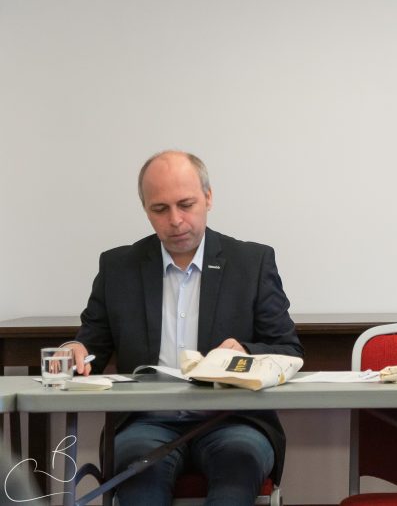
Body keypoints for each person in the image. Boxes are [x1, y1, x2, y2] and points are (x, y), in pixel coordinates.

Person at [64, 150, 303, 506]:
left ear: (208, 197)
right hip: (145, 422)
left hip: (233, 419)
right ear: (145, 209)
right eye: (160, 209)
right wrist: (75, 352)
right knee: (141, 488)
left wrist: (246, 353)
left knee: (235, 477)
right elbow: (90, 350)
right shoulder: (118, 267)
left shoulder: (251, 263)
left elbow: (288, 350)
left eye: (186, 205)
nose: (175, 220)